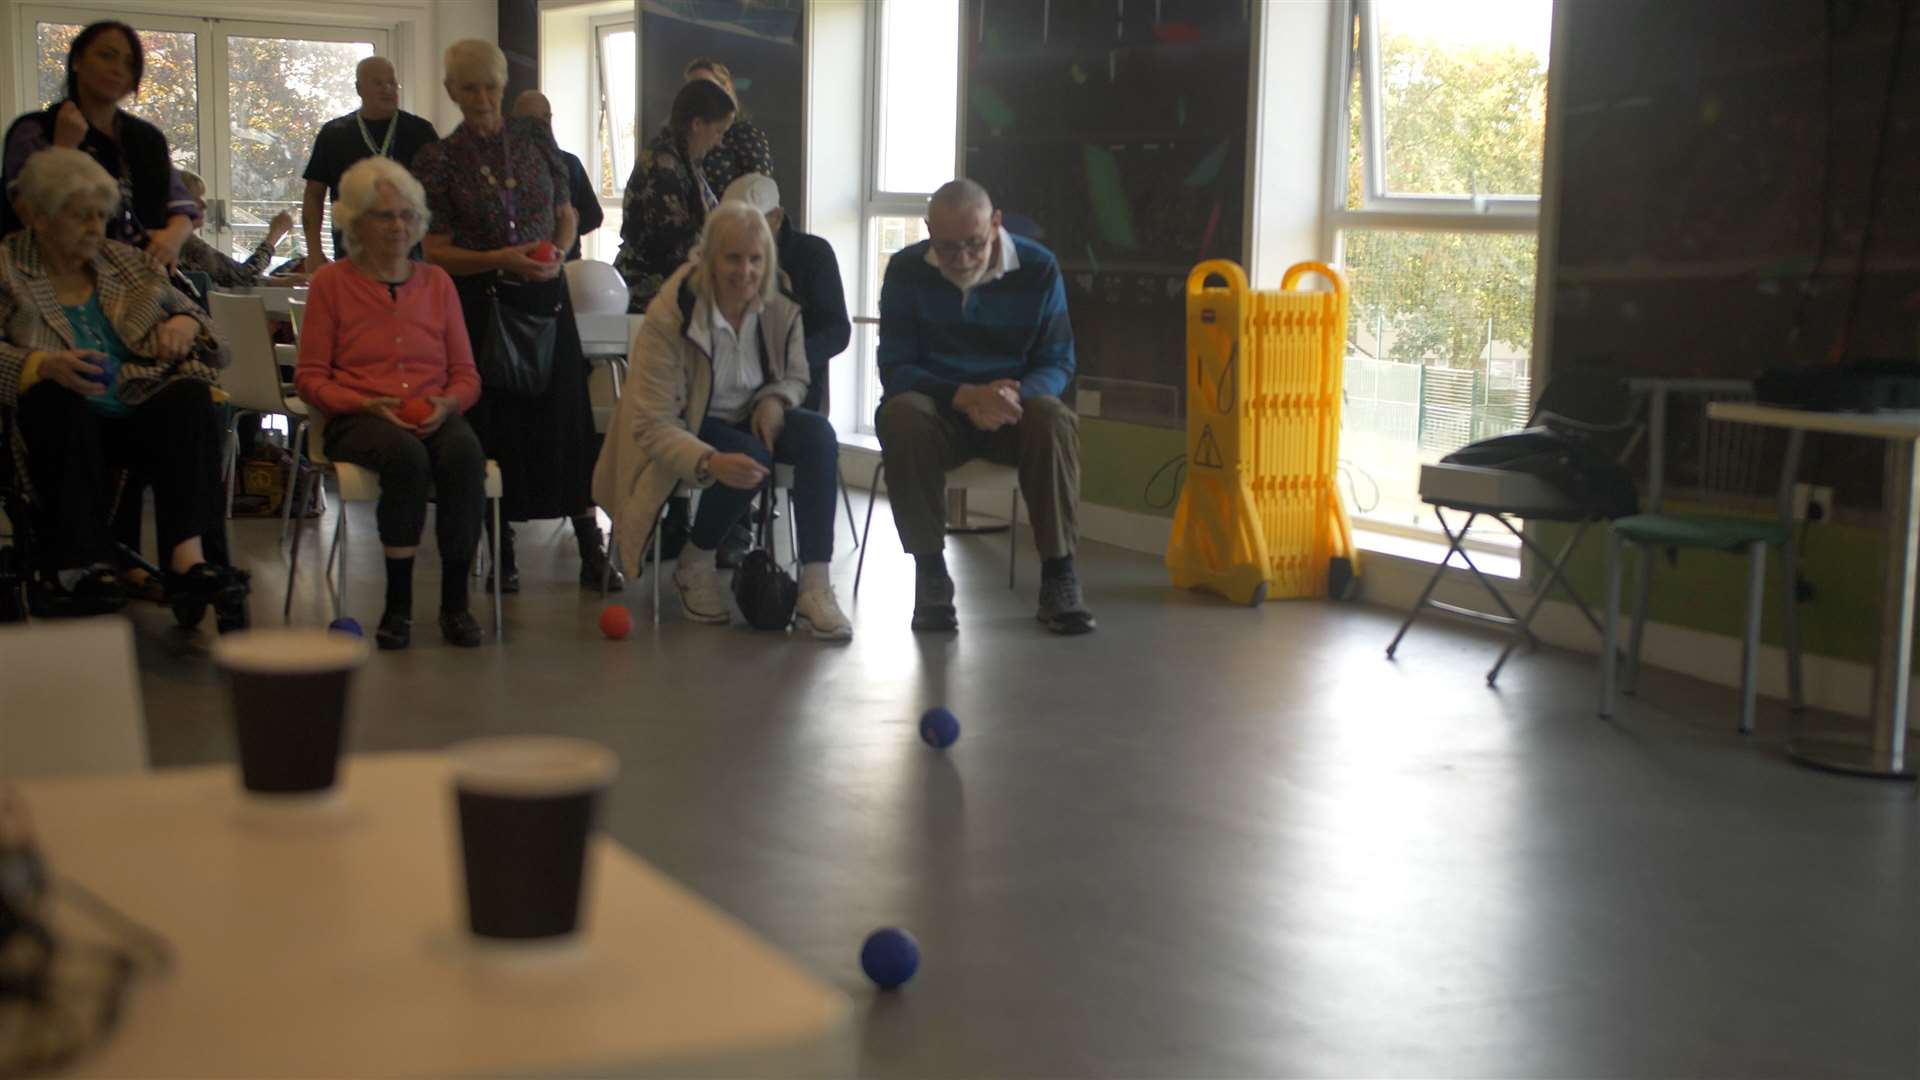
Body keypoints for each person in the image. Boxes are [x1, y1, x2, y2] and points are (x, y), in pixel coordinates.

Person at [411, 39, 617, 592]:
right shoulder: (438, 159)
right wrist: (499, 260)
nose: (482, 98)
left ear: (503, 88)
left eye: (491, 87)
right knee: (495, 434)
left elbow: (567, 213)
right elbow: (434, 250)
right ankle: (501, 557)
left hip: (548, 303)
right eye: (470, 87)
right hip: (483, 308)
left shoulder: (533, 138)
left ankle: (592, 551)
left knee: (568, 428)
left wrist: (557, 251)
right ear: (452, 90)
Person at [0, 148, 241, 620]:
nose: (95, 227)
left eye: (101, 215)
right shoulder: (8, 269)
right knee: (56, 396)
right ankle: (83, 562)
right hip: (60, 421)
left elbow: (207, 327)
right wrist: (39, 365)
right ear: (39, 217)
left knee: (189, 398)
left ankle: (187, 561)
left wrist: (188, 326)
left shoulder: (126, 262)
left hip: (136, 406)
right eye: (79, 216)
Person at [593, 202, 851, 640]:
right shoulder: (672, 312)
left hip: (751, 413)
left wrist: (775, 401)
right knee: (745, 453)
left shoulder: (780, 301)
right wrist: (710, 462)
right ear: (709, 257)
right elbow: (652, 422)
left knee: (819, 437)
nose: (745, 271)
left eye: (756, 259)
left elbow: (796, 376)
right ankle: (695, 562)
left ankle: (814, 586)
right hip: (688, 420)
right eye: (733, 258)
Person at [875, 178, 1093, 635]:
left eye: (974, 244)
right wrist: (964, 395)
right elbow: (896, 367)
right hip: (939, 413)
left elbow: (1059, 360)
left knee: (1053, 417)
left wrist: (1013, 396)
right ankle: (931, 573)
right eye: (948, 247)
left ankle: (1059, 574)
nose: (963, 259)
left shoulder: (1038, 268)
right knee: (900, 413)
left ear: (995, 224)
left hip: (1013, 412)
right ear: (928, 230)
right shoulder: (905, 269)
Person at [295, 158, 486, 650]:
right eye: (384, 216)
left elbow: (467, 375)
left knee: (464, 455)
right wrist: (363, 402)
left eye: (407, 215)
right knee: (406, 458)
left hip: (431, 408)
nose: (399, 226)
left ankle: (455, 604)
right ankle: (398, 607)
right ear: (355, 223)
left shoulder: (438, 283)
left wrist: (449, 403)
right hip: (358, 416)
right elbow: (311, 378)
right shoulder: (331, 284)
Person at [714, 173, 849, 568]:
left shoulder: (812, 255)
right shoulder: (715, 258)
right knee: (735, 429)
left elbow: (837, 330)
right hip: (728, 388)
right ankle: (729, 525)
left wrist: (785, 361)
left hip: (794, 385)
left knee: (808, 437)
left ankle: (813, 574)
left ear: (776, 218)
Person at [1, 21, 199, 270]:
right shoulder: (34, 130)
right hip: (52, 276)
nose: (117, 69)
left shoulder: (148, 138)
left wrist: (173, 236)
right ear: (77, 61)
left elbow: (181, 207)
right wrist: (64, 149)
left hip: (140, 276)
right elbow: (27, 212)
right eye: (107, 56)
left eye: (129, 63)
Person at [298, 56, 439, 269]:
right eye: (378, 83)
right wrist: (314, 252)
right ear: (359, 88)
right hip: (351, 257)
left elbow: (440, 195)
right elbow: (313, 194)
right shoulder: (334, 134)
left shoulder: (421, 132)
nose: (388, 89)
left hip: (411, 258)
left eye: (392, 83)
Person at [613, 78, 735, 313]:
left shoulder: (683, 159)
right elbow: (673, 243)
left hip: (669, 287)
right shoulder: (664, 165)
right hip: (652, 293)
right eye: (718, 131)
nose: (719, 142)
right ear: (697, 124)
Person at [509, 90, 603, 262]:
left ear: (549, 119)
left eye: (540, 121)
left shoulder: (570, 164)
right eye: (527, 122)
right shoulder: (504, 167)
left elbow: (594, 216)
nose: (534, 129)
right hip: (516, 264)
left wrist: (571, 219)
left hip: (565, 264)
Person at [174, 170, 306, 288]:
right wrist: (275, 234)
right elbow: (243, 276)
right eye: (194, 199)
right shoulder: (184, 243)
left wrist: (274, 282)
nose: (204, 205)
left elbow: (230, 278)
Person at [682, 58, 773, 196]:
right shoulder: (683, 137)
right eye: (692, 88)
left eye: (705, 87)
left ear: (726, 88)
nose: (697, 95)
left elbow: (760, 194)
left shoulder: (746, 134)